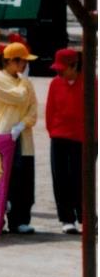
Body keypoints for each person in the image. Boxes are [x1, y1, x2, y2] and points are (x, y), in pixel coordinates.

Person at [0, 42, 38, 234]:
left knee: (24, 180)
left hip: (23, 136)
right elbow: (18, 98)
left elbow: (33, 110)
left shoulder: (25, 83)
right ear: (11, 61)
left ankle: (20, 220)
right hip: (3, 133)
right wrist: (25, 83)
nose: (25, 65)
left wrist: (23, 123)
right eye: (22, 61)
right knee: (3, 179)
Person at [45, 48, 83, 234]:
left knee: (80, 178)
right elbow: (50, 110)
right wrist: (53, 131)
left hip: (82, 138)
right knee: (60, 178)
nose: (59, 73)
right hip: (59, 136)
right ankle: (67, 218)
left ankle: (85, 216)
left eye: (62, 69)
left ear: (74, 66)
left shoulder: (91, 83)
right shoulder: (55, 84)